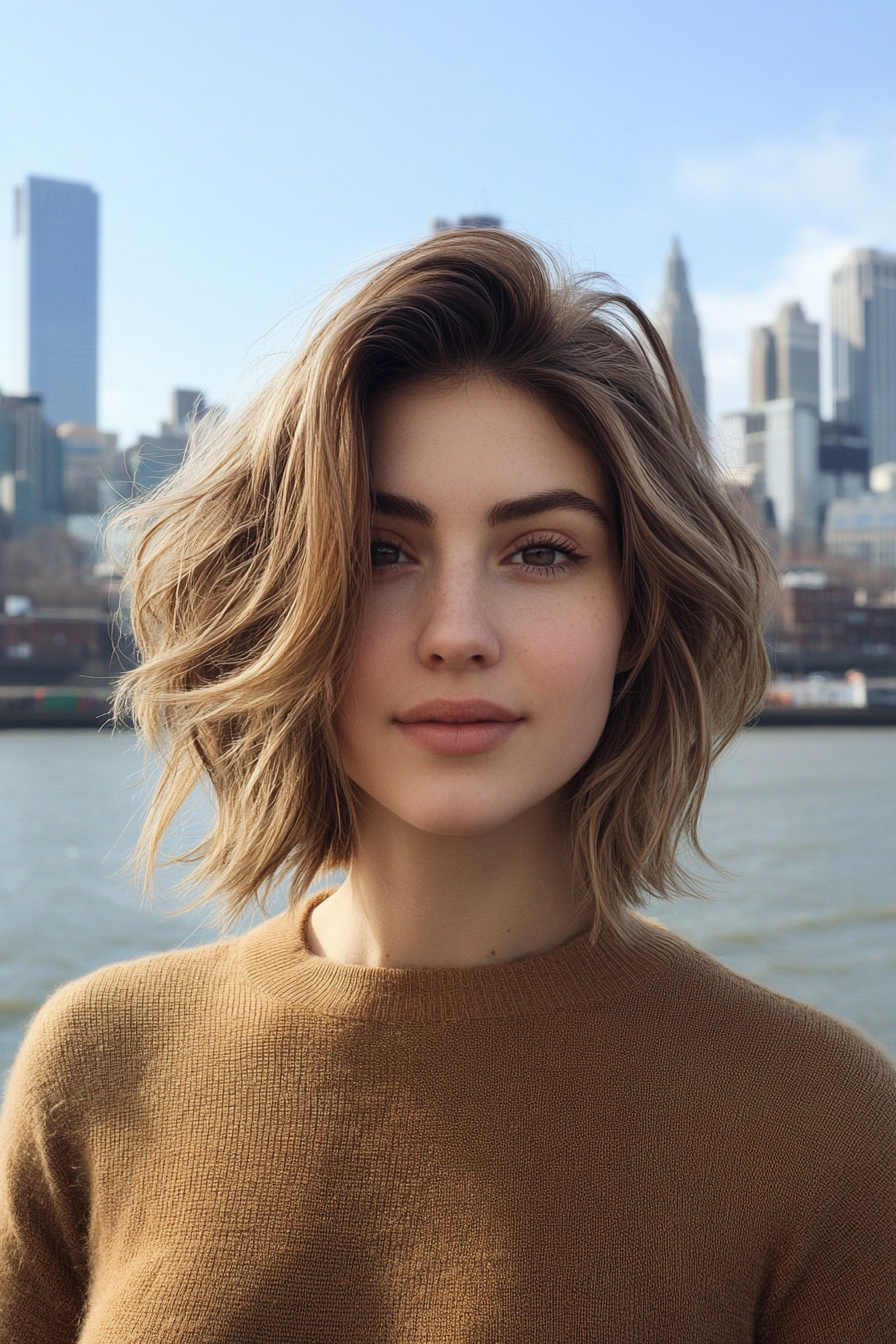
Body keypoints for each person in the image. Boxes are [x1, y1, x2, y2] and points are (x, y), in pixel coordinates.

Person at [1, 229, 894, 1343]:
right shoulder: (91, 1066)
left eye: (542, 552)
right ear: (289, 600)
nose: (456, 634)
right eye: (381, 551)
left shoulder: (826, 1125)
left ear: (635, 616)